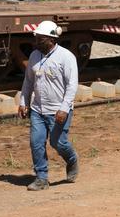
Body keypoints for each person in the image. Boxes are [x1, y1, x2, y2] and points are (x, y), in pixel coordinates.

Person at [19, 20, 79, 191]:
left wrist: (64, 108)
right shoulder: (34, 56)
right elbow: (28, 81)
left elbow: (72, 85)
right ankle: (41, 178)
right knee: (36, 142)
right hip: (38, 109)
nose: (37, 42)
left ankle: (72, 158)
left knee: (57, 143)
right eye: (36, 38)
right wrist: (24, 102)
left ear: (52, 39)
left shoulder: (66, 57)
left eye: (41, 39)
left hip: (58, 110)